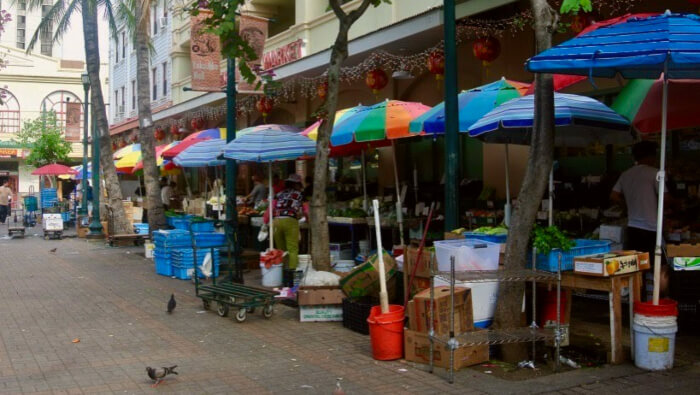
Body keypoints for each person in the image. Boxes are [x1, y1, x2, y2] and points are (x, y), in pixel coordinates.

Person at [610, 141, 671, 296]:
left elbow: (614, 195)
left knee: (637, 268)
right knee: (661, 267)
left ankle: (638, 302)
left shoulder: (626, 174)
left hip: (633, 228)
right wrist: (679, 204)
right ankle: (659, 300)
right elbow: (666, 198)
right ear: (651, 156)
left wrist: (627, 206)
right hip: (651, 229)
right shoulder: (655, 173)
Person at [264, 174, 306, 269]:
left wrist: (265, 220)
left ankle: (282, 273)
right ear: (297, 184)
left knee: (280, 250)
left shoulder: (279, 193)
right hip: (290, 220)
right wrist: (308, 219)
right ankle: (291, 275)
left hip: (276, 221)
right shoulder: (300, 195)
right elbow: (306, 210)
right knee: (292, 249)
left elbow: (271, 207)